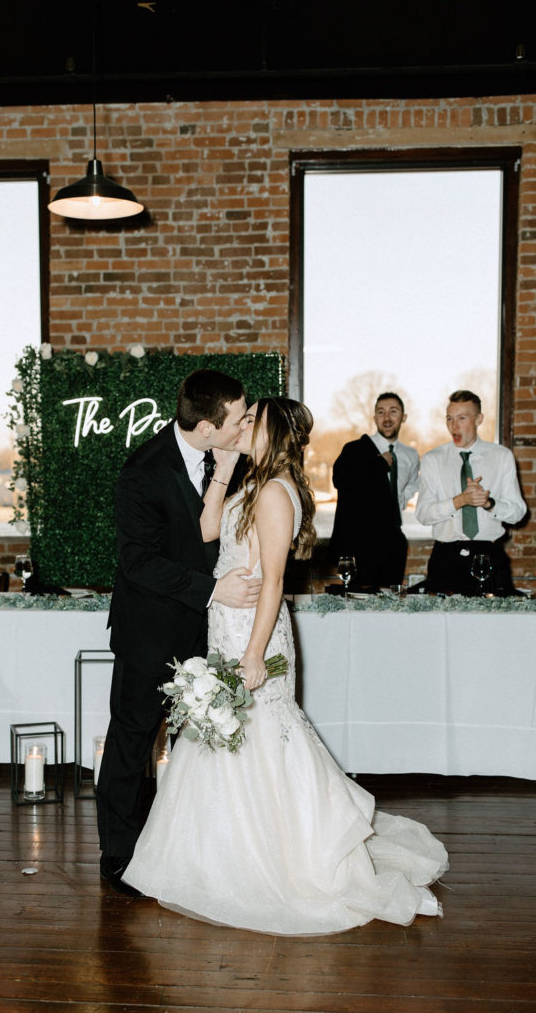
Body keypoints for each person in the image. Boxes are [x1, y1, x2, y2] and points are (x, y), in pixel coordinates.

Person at [123, 397, 448, 935]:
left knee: (262, 736)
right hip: (224, 626)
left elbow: (273, 580)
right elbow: (207, 531)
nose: (244, 425)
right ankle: (215, 860)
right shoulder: (251, 483)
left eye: (253, 420)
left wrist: (254, 654)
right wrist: (225, 471)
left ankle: (281, 858)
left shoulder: (275, 493)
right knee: (222, 738)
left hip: (256, 633)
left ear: (273, 433)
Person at [96, 368, 262, 896]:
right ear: (208, 427)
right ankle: (119, 853)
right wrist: (214, 590)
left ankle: (198, 844)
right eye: (238, 418)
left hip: (210, 632)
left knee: (206, 742)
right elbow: (138, 562)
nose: (245, 424)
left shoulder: (229, 459)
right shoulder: (142, 472)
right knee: (132, 739)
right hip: (149, 633)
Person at [416, 390, 526, 595]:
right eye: (449, 419)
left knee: (494, 626)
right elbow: (423, 514)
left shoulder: (501, 457)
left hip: (489, 556)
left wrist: (489, 504)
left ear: (479, 419)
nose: (453, 426)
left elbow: (518, 513)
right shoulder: (433, 459)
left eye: (461, 418)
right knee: (443, 625)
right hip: (446, 558)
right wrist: (459, 501)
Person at [329, 392, 419, 590]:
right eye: (381, 412)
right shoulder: (355, 449)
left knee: (389, 605)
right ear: (374, 418)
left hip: (393, 541)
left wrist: (398, 503)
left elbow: (413, 483)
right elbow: (340, 480)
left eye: (393, 412)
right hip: (360, 542)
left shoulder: (410, 455)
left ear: (403, 417)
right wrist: (378, 465)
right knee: (357, 607)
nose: (387, 418)